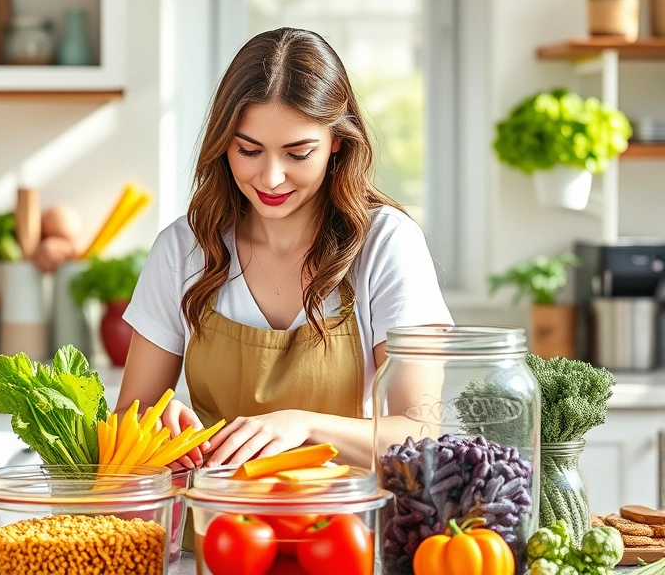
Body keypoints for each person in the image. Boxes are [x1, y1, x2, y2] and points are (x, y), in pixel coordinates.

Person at [117, 27, 452, 471]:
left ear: (338, 142)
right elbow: (128, 419)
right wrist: (157, 427)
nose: (271, 178)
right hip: (218, 531)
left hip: (344, 533)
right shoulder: (183, 249)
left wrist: (302, 426)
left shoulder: (387, 245)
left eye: (298, 153)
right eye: (249, 150)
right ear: (224, 145)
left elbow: (420, 433)